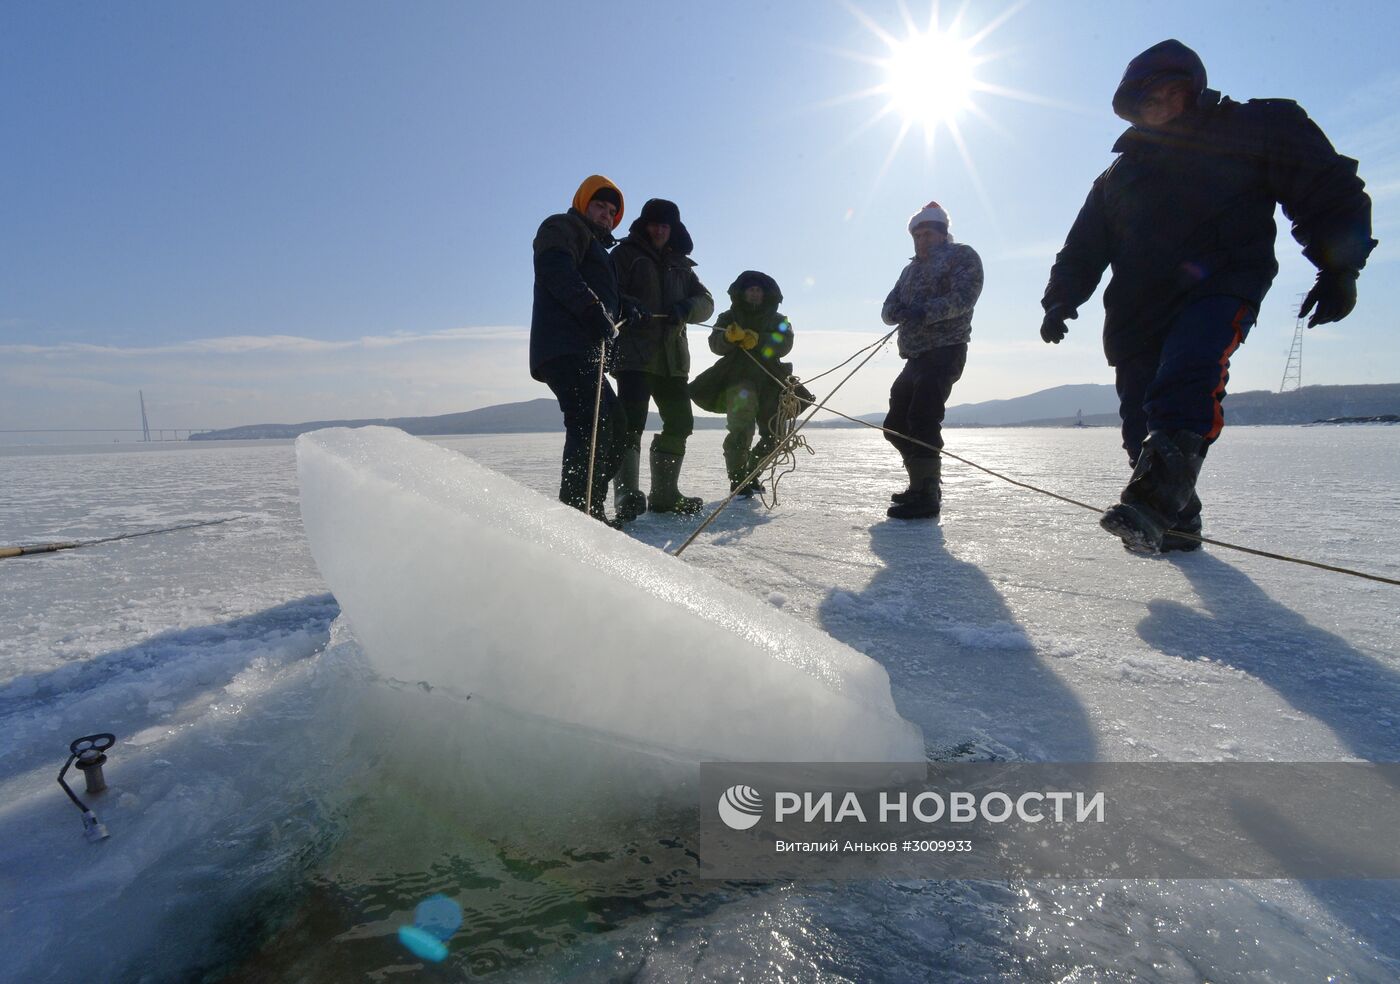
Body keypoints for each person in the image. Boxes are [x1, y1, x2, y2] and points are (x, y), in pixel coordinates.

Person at [1040, 40, 1376, 554]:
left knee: (1189, 373)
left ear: (1192, 88)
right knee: (1139, 422)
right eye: (1145, 102)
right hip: (1135, 310)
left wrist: (1340, 266)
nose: (1158, 108)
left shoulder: (1253, 127)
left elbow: (1325, 186)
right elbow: (1083, 246)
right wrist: (1060, 299)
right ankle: (1176, 520)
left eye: (1168, 94)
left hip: (1220, 284)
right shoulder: (1117, 176)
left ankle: (1152, 504)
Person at [529, 174, 632, 525]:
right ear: (582, 203)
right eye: (599, 206)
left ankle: (588, 508)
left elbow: (595, 289)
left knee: (615, 427)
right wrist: (592, 309)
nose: (605, 214)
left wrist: (624, 306)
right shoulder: (561, 227)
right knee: (592, 424)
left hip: (583, 349)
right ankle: (579, 514)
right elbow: (555, 268)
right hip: (565, 346)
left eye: (612, 211)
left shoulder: (596, 249)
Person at [611, 198, 715, 518]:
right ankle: (627, 496)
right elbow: (606, 292)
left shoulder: (681, 264)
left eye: (665, 226)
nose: (659, 230)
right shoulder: (624, 255)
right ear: (644, 225)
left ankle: (664, 495)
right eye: (655, 224)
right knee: (630, 425)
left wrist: (687, 309)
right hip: (634, 357)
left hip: (672, 360)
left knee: (681, 422)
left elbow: (707, 303)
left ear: (673, 229)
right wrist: (627, 304)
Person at [879, 201, 984, 520]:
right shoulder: (909, 271)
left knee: (923, 416)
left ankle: (927, 492)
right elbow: (887, 308)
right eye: (917, 235)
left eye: (928, 234)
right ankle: (919, 484)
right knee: (895, 424)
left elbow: (964, 299)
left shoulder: (962, 257)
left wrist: (923, 311)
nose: (922, 240)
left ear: (943, 233)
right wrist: (896, 313)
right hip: (914, 356)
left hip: (946, 349)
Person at [689, 271, 797, 498]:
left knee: (776, 434)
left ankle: (751, 474)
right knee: (741, 430)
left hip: (771, 381)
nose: (755, 293)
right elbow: (714, 345)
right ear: (743, 293)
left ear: (766, 294)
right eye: (751, 290)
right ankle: (738, 480)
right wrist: (728, 338)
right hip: (738, 380)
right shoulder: (728, 318)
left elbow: (785, 344)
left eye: (759, 290)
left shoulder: (779, 320)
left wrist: (759, 340)